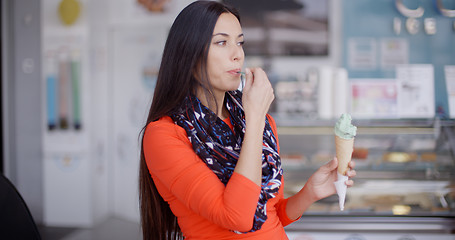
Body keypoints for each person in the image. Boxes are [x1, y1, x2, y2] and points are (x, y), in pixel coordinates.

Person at [139, 1, 356, 240]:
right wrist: (254, 120)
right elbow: (237, 217)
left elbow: (270, 216)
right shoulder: (164, 135)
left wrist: (310, 192)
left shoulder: (258, 121)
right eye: (222, 42)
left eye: (240, 42)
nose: (238, 54)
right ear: (188, 54)